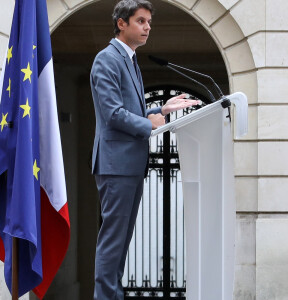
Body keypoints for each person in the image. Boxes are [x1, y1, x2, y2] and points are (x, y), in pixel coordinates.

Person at [90, 0, 200, 299]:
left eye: (149, 22)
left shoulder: (130, 59)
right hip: (116, 164)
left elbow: (131, 109)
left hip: (129, 163)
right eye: (140, 21)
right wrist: (148, 124)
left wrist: (160, 109)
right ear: (121, 23)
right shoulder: (107, 59)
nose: (147, 27)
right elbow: (112, 112)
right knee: (113, 240)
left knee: (122, 239)